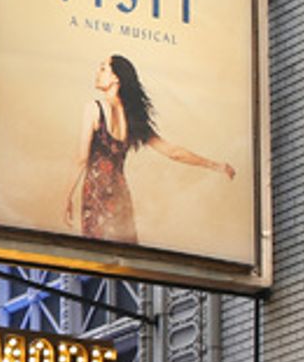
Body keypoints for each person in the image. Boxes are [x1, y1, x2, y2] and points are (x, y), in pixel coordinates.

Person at [64, 55, 235, 243]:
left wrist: (67, 197)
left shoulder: (94, 108)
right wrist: (216, 166)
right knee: (123, 253)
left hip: (97, 195)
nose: (97, 73)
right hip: (121, 196)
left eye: (103, 68)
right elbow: (173, 153)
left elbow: (81, 159)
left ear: (116, 78)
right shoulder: (133, 119)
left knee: (98, 256)